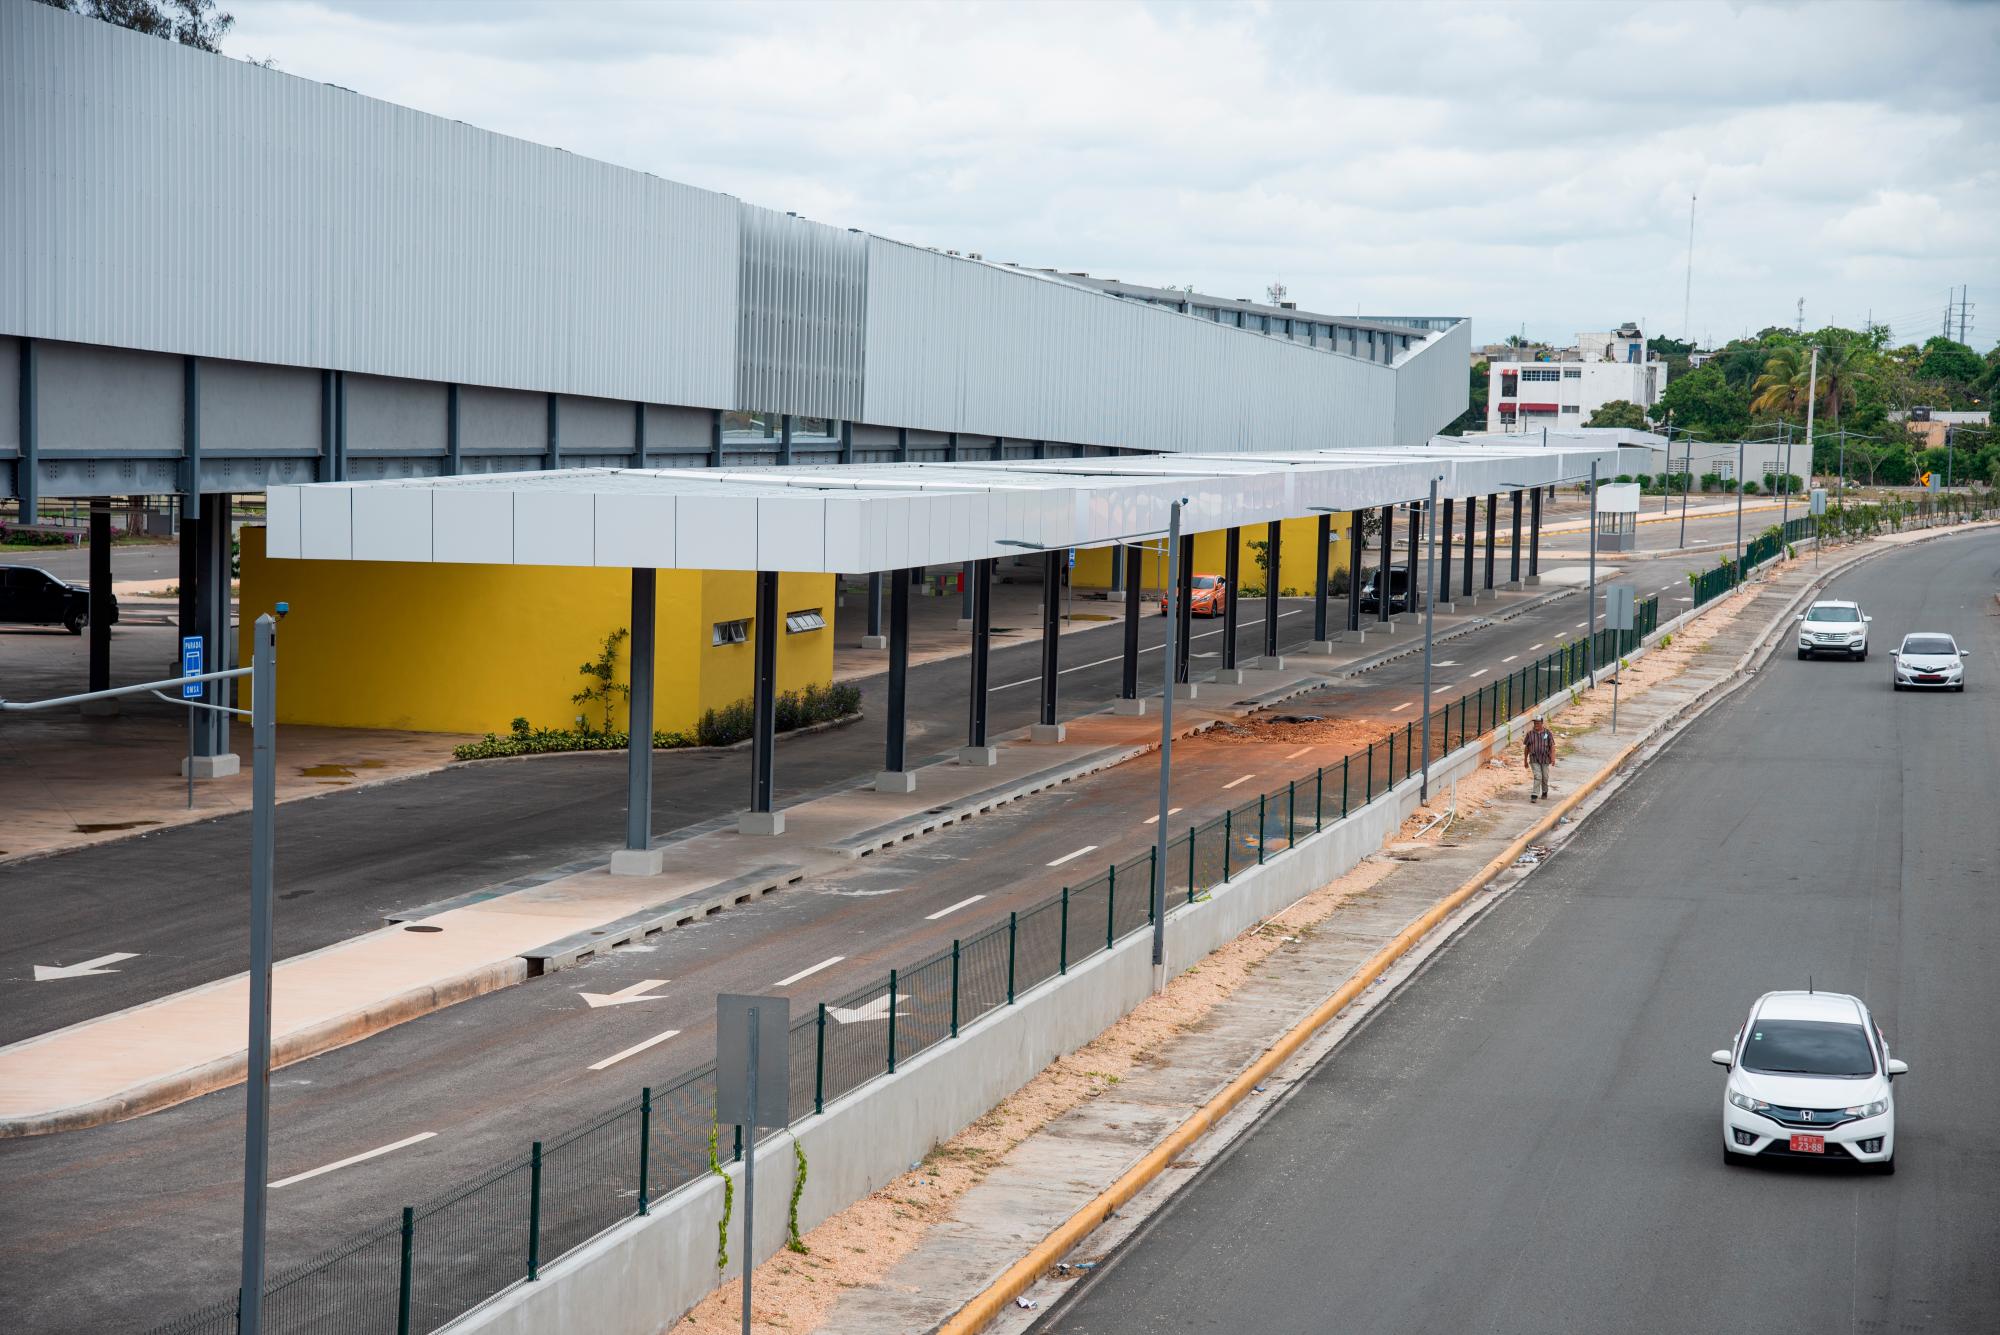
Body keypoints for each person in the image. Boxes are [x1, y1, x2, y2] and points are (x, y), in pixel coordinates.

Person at [1523, 715, 1555, 801]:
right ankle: (1534, 795)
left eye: (1538, 723)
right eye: (1535, 723)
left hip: (1545, 759)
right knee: (1538, 776)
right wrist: (1525, 760)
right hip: (1534, 759)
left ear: (1542, 723)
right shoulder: (1530, 734)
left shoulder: (1547, 733)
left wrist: (1553, 758)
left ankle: (1544, 791)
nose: (1536, 724)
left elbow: (1552, 746)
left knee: (1545, 777)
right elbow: (1527, 747)